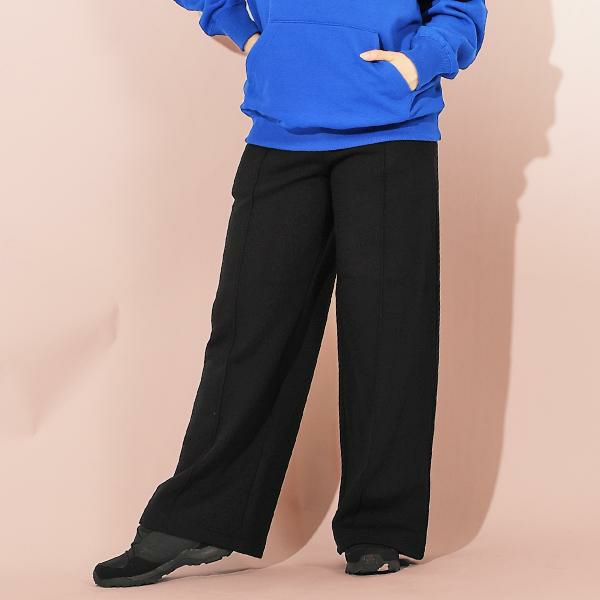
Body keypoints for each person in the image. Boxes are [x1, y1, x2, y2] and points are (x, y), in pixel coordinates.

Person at [93, 0, 487, 586]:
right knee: (248, 330)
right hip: (282, 129)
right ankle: (199, 518)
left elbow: (461, 12)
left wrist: (414, 64)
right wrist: (253, 40)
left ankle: (381, 526)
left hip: (391, 132)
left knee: (388, 331)